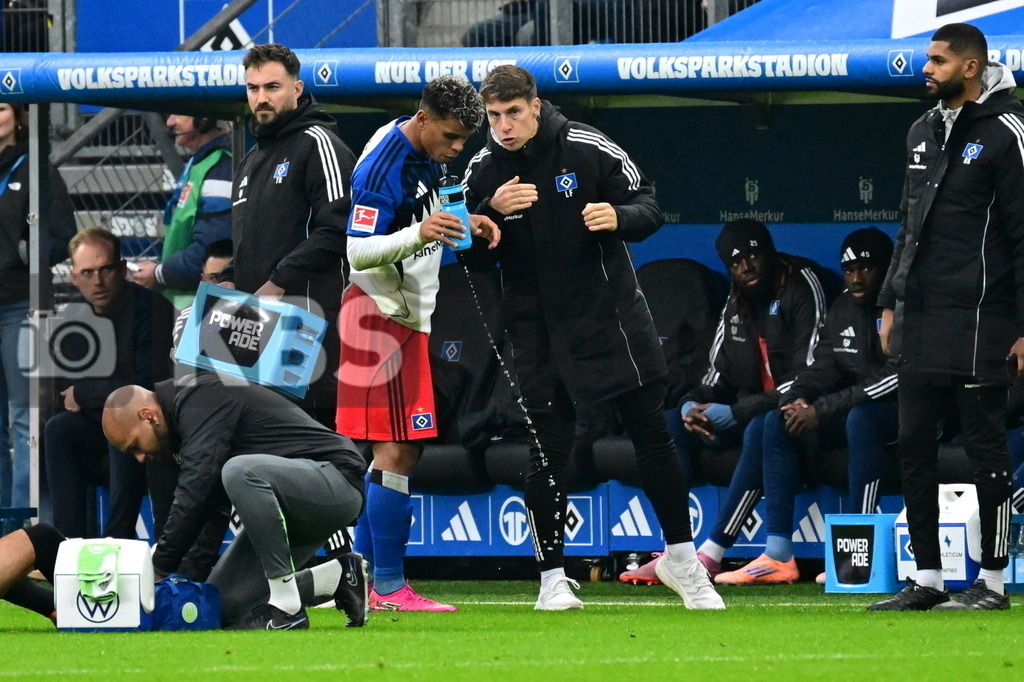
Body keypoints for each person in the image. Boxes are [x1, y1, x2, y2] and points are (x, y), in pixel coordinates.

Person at [464, 64, 723, 610]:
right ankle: (552, 577)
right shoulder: (482, 169)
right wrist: (486, 214)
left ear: (535, 106)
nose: (504, 126)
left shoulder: (587, 145)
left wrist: (619, 216)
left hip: (609, 320)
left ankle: (682, 559)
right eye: (494, 116)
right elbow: (460, 248)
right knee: (547, 449)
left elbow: (648, 203)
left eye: (513, 113)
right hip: (534, 331)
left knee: (651, 436)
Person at [870, 23, 1024, 612]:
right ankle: (928, 578)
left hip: (985, 317)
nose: (925, 68)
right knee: (912, 442)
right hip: (923, 316)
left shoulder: (1009, 129)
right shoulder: (922, 129)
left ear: (970, 67)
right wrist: (890, 301)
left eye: (937, 60)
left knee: (985, 446)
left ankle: (993, 581)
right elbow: (908, 226)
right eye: (926, 58)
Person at [337, 76, 498, 612]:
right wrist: (422, 235)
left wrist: (465, 221)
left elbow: (431, 215)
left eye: (465, 140)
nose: (458, 148)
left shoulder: (429, 151)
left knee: (398, 451)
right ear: (424, 119)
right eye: (452, 137)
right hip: (378, 317)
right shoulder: (383, 166)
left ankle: (364, 583)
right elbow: (357, 254)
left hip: (401, 316)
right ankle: (387, 585)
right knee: (397, 450)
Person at [619, 219, 827, 585]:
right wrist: (690, 404)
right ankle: (675, 550)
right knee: (670, 424)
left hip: (807, 415)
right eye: (735, 262)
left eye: (753, 256)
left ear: (770, 254)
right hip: (752, 412)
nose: (746, 267)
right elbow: (715, 375)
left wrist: (737, 412)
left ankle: (725, 554)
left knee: (767, 424)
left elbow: (810, 375)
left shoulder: (802, 284)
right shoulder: (736, 301)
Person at [102, 373, 369, 630]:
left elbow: (196, 488)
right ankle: (338, 576)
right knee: (221, 606)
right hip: (286, 509)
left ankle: (287, 610)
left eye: (135, 445)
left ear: (148, 416)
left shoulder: (199, 397)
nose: (138, 457)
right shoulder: (181, 426)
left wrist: (159, 565)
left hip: (336, 483)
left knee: (239, 470)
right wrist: (183, 583)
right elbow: (211, 507)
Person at [715, 227, 898, 585]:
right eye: (850, 270)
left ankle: (858, 555)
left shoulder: (905, 306)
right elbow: (825, 365)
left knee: (861, 419)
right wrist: (795, 399)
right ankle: (778, 554)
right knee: (774, 421)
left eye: (867, 268)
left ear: (887, 269)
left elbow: (897, 377)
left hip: (911, 413)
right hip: (856, 407)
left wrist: (823, 409)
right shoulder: (843, 306)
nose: (857, 278)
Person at [223, 43, 355, 429]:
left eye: (272, 87)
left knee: (312, 435)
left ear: (297, 88)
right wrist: (228, 277)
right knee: (261, 435)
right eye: (253, 88)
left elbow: (340, 227)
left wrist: (279, 280)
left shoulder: (318, 143)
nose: (261, 98)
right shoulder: (251, 160)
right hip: (256, 325)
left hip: (309, 322)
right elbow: (251, 242)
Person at [43, 227, 176, 540]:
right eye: (87, 272)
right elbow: (66, 394)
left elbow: (146, 386)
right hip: (98, 431)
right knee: (58, 429)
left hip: (153, 434)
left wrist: (91, 393)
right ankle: (66, 547)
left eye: (104, 269)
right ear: (74, 276)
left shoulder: (153, 308)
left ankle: (118, 542)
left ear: (120, 268)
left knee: (123, 419)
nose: (97, 281)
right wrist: (102, 393)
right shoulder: (73, 320)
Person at [0, 101, 76, 514]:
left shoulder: (35, 167)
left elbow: (67, 233)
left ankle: (24, 533)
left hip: (19, 306)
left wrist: (31, 252)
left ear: (18, 116)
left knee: (24, 421)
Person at [131, 115, 232, 310]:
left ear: (204, 118)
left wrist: (160, 273)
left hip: (206, 309)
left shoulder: (221, 167)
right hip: (190, 307)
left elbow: (214, 249)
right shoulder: (202, 162)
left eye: (178, 114)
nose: (169, 122)